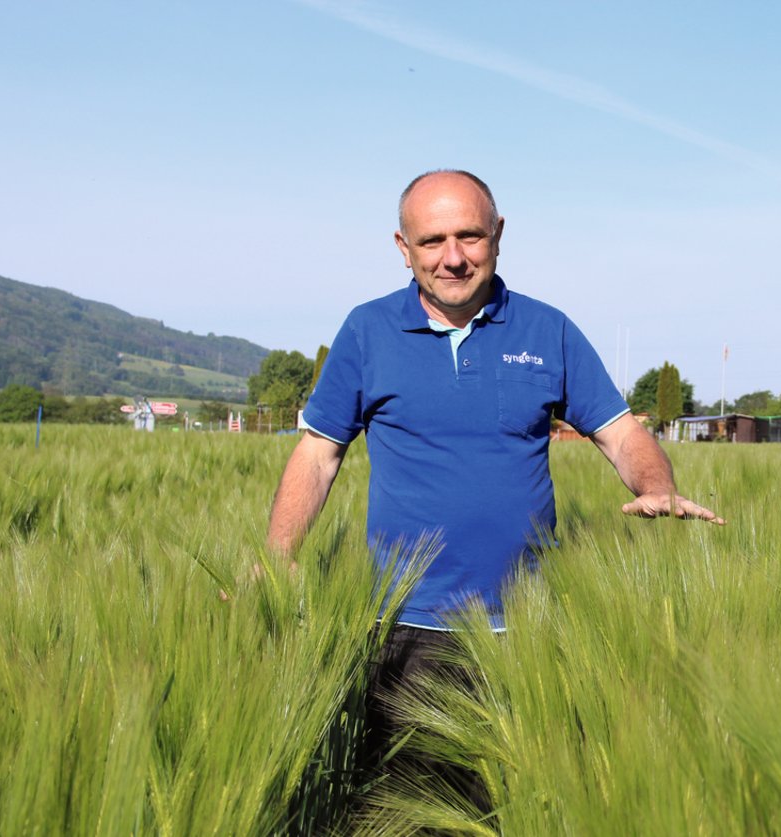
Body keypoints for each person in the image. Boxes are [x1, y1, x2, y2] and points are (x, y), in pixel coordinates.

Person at [265, 169, 723, 802]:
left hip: (531, 631)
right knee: (414, 811)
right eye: (432, 241)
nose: (453, 257)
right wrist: (279, 554)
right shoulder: (367, 332)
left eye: (469, 236)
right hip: (404, 631)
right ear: (403, 248)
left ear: (499, 235)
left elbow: (619, 431)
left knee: (520, 805)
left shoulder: (547, 330)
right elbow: (318, 454)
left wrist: (655, 484)